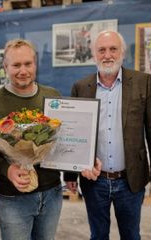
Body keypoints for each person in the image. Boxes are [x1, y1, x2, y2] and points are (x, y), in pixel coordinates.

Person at [0, 38, 101, 240]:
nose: (23, 70)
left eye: (28, 64)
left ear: (35, 64)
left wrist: (83, 160)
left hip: (51, 193)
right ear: (5, 67)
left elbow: (67, 138)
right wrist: (6, 169)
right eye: (16, 65)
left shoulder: (52, 97)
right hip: (11, 197)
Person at [64, 30, 151, 240]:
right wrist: (70, 175)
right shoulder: (81, 87)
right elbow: (74, 134)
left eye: (113, 49)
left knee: (131, 235)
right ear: (93, 54)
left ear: (122, 52)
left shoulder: (143, 82)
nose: (107, 55)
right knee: (98, 235)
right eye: (101, 50)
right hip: (94, 182)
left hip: (130, 180)